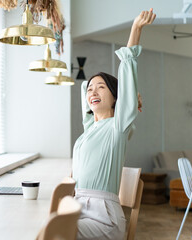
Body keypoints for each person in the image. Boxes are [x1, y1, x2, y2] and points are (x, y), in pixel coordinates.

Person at [71, 9, 156, 240]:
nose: (92, 91)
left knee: (51, 232)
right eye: (91, 89)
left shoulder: (117, 127)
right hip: (79, 209)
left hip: (102, 218)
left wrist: (135, 29)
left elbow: (128, 69)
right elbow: (83, 90)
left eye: (101, 87)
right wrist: (89, 87)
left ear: (117, 97)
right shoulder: (90, 129)